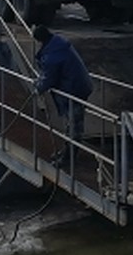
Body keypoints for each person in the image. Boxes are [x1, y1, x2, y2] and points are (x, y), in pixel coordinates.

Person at [31, 24, 93, 163]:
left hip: (74, 90)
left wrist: (38, 88)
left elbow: (50, 77)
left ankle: (69, 157)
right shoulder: (57, 43)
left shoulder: (53, 55)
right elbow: (48, 73)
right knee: (71, 123)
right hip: (76, 86)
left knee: (74, 124)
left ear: (40, 41)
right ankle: (67, 151)